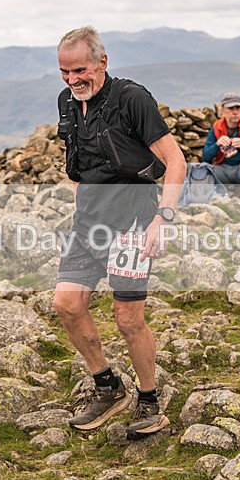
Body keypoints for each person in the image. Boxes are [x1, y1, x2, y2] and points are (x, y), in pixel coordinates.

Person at [52, 27, 186, 439]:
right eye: (64, 72)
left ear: (102, 63)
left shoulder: (132, 99)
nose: (73, 80)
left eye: (80, 70)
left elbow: (176, 161)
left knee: (128, 319)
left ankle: (149, 402)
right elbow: (78, 166)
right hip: (88, 226)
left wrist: (162, 220)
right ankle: (109, 388)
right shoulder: (67, 104)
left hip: (134, 223)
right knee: (67, 304)